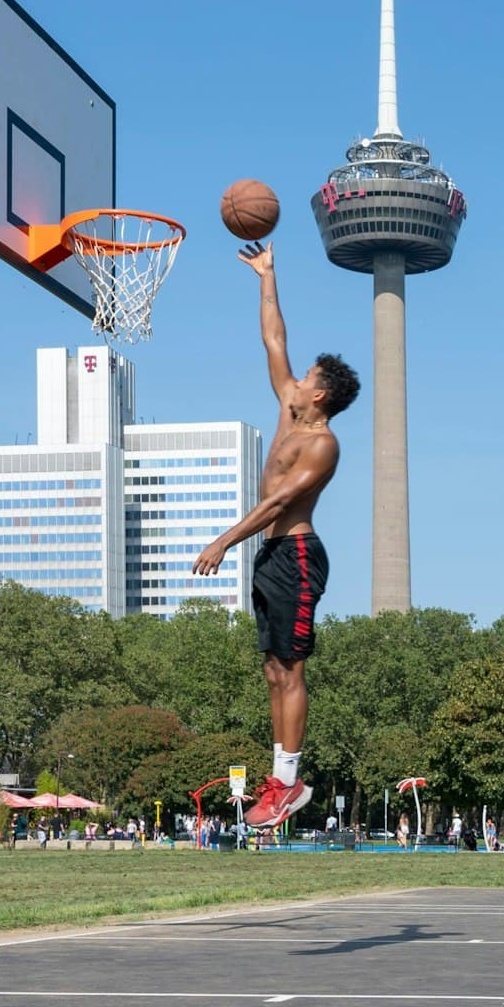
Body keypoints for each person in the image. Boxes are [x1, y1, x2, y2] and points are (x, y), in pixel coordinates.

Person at [193, 241, 361, 830]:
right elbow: (274, 339)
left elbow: (280, 503)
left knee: (291, 670)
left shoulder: (323, 444)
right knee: (271, 670)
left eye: (308, 377)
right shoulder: (291, 410)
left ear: (321, 395)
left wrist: (222, 541)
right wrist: (267, 277)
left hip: (295, 553)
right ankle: (278, 780)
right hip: (271, 556)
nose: (295, 378)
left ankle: (288, 784)